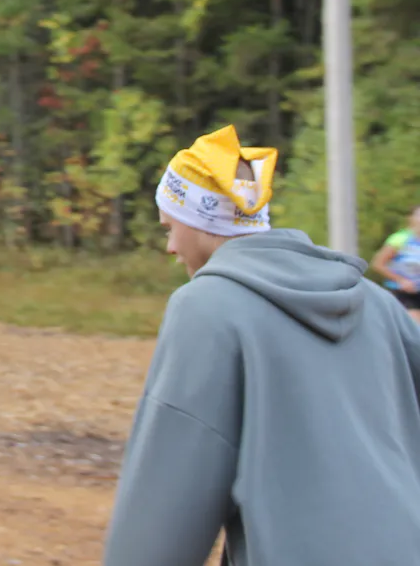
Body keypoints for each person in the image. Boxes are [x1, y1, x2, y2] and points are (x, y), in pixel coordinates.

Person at [103, 124, 420, 566]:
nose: (171, 246)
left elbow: (168, 494)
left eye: (169, 228)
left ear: (200, 222)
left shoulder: (208, 307)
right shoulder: (379, 304)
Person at [369, 206, 420, 322]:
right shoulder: (400, 239)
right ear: (411, 219)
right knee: (416, 329)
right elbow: (378, 264)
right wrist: (401, 280)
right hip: (404, 293)